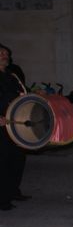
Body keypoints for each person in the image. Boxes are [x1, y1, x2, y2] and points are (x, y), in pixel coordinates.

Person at [0, 45, 29, 210]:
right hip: (1, 124)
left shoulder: (12, 75)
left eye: (6, 53)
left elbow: (23, 93)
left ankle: (13, 191)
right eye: (1, 53)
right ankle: (2, 199)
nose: (5, 55)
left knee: (17, 158)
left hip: (16, 122)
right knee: (3, 161)